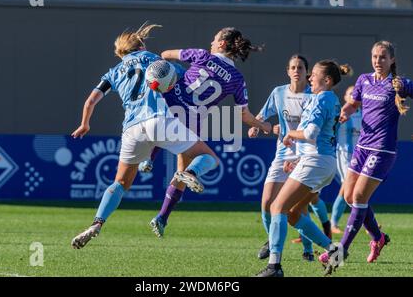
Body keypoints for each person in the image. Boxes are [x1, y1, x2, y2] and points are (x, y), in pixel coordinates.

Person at [70, 23, 220, 249]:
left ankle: (97, 223)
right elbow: (184, 77)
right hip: (160, 120)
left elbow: (91, 101)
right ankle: (189, 173)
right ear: (140, 45)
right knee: (209, 158)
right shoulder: (153, 59)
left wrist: (84, 124)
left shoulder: (113, 72)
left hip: (132, 129)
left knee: (120, 182)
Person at [146, 27, 272, 238]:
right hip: (191, 122)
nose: (211, 42)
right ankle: (162, 216)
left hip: (173, 105)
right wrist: (265, 126)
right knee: (184, 171)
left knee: (163, 116)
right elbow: (245, 116)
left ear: (222, 44)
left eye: (214, 40)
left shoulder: (202, 55)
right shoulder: (237, 79)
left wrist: (169, 66)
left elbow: (166, 54)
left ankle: (149, 159)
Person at [320, 41, 413, 274]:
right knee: (350, 197)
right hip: (362, 147)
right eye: (374, 56)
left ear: (392, 60)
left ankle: (341, 251)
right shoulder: (364, 80)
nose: (377, 61)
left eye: (383, 57)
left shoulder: (398, 84)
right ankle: (378, 237)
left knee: (359, 196)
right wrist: (345, 111)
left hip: (382, 150)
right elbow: (354, 104)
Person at [256, 60, 351, 277]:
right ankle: (334, 251)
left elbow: (310, 135)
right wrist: (298, 159)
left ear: (326, 80)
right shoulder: (329, 99)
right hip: (321, 161)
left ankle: (274, 267)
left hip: (316, 162)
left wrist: (290, 134)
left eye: (314, 74)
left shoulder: (322, 99)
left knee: (277, 207)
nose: (309, 78)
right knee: (292, 213)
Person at [249, 55, 319, 262]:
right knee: (266, 203)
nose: (296, 70)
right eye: (293, 67)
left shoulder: (314, 96)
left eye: (300, 67)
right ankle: (271, 241)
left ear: (307, 72)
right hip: (282, 155)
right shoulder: (278, 93)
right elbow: (262, 115)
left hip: (305, 156)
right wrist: (256, 125)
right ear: (288, 71)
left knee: (298, 208)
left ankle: (307, 248)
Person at [330, 85, 362, 234]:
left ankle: (362, 222)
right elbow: (330, 130)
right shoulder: (341, 113)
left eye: (355, 93)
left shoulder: (363, 113)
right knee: (348, 189)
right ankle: (334, 224)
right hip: (344, 155)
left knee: (352, 191)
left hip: (360, 156)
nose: (353, 96)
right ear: (344, 97)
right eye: (350, 93)